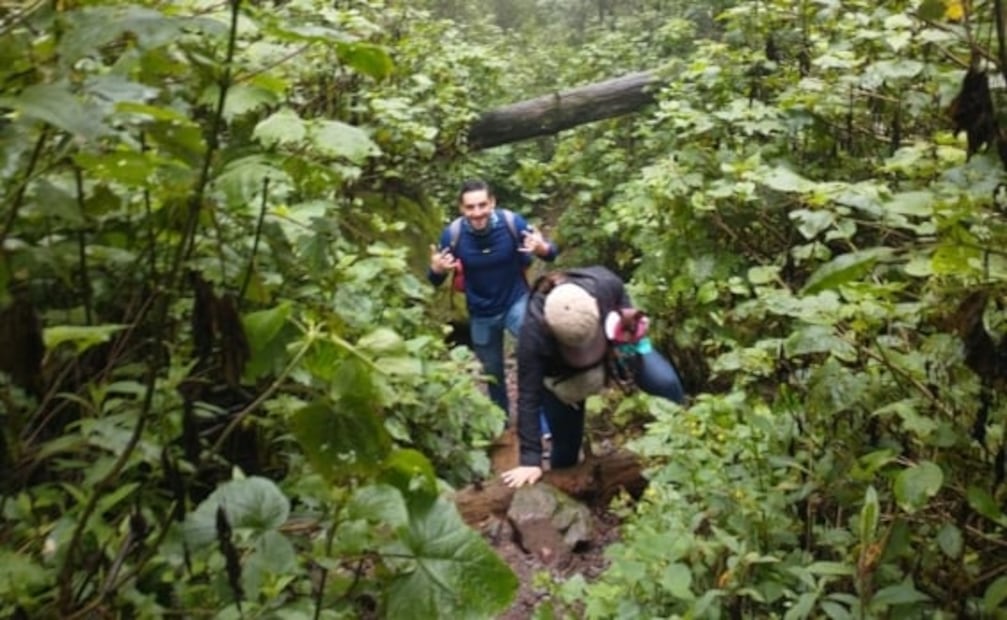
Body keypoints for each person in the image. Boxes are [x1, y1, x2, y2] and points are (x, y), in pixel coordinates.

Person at [501, 265, 686, 488]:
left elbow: (624, 306)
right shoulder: (532, 336)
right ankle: (565, 491)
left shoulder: (603, 284)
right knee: (566, 447)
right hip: (562, 380)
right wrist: (530, 460)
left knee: (665, 382)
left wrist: (626, 332)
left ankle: (685, 435)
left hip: (610, 347)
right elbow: (528, 396)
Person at [428, 179, 559, 424]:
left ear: (492, 203)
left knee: (537, 354)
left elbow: (551, 253)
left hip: (516, 302)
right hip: (481, 312)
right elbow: (435, 279)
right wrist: (437, 269)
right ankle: (502, 423)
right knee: (493, 373)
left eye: (482, 205)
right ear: (461, 208)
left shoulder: (512, 223)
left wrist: (541, 248)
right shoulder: (453, 235)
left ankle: (543, 419)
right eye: (470, 207)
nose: (477, 212)